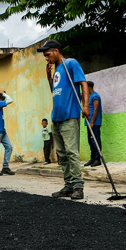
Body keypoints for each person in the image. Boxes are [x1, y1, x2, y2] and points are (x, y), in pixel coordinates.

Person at [40, 40, 88, 200]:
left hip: (70, 116)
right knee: (62, 154)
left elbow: (83, 83)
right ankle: (68, 185)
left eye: (47, 55)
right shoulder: (56, 71)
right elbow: (54, 91)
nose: (46, 58)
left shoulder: (70, 64)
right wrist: (49, 76)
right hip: (57, 118)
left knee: (71, 152)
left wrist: (85, 105)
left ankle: (78, 187)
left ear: (56, 50)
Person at [84, 81, 103, 167]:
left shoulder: (95, 96)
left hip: (94, 123)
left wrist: (92, 122)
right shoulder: (89, 97)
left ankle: (97, 159)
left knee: (95, 140)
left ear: (89, 87)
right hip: (89, 122)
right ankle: (92, 158)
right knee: (90, 141)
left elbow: (96, 109)